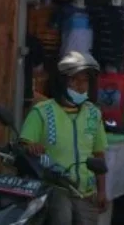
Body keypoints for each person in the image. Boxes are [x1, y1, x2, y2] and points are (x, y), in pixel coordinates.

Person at [19, 51, 109, 225]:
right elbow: (24, 145)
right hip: (55, 187)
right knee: (62, 218)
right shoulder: (42, 111)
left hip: (86, 191)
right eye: (74, 80)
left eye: (85, 81)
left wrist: (102, 191)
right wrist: (32, 147)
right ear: (62, 82)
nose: (80, 86)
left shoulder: (93, 114)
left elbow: (99, 155)